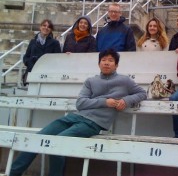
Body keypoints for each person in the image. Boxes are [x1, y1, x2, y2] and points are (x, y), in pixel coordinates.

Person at [10, 49, 147, 176]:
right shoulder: (91, 81)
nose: (106, 63)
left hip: (94, 123)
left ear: (116, 65)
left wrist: (126, 100)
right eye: (103, 60)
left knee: (57, 144)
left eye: (111, 60)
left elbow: (142, 93)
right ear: (99, 63)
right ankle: (13, 174)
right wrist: (105, 102)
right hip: (75, 117)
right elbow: (80, 103)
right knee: (37, 138)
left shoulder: (124, 81)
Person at [22, 19, 61, 85]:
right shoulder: (33, 41)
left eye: (48, 27)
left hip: (47, 74)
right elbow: (26, 56)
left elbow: (58, 58)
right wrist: (28, 63)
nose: (46, 28)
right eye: (44, 25)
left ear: (51, 29)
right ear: (40, 27)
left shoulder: (55, 43)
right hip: (32, 71)